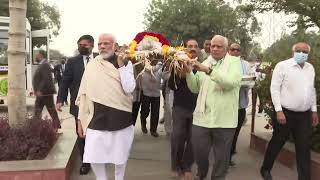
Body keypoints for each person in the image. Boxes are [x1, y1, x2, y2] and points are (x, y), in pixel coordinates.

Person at [76, 33, 135, 180]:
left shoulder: (127, 63)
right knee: (94, 154)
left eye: (106, 43)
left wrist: (121, 66)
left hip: (120, 116)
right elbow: (83, 94)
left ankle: (119, 178)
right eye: (100, 44)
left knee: (120, 155)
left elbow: (129, 88)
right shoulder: (92, 65)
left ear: (115, 45)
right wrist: (80, 120)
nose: (102, 46)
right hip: (97, 117)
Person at [260, 42, 319, 180]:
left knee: (303, 147)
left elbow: (312, 90)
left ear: (308, 54)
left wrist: (314, 111)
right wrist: (279, 111)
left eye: (305, 51)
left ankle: (304, 177)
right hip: (285, 113)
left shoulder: (310, 68)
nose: (301, 53)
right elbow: (274, 89)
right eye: (298, 50)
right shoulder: (283, 66)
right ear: (293, 52)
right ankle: (266, 169)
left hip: (304, 115)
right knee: (277, 142)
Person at [186, 35, 241, 180]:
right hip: (202, 119)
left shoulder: (234, 62)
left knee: (221, 160)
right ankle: (202, 173)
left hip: (224, 121)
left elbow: (230, 83)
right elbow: (195, 88)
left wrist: (208, 70)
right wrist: (188, 72)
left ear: (226, 49)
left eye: (219, 46)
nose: (214, 49)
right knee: (199, 153)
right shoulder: (205, 62)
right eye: (212, 46)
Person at [56, 35, 98, 175]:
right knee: (81, 133)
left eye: (84, 45)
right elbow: (65, 81)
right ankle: (85, 162)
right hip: (79, 103)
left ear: (91, 45)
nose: (81, 47)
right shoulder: (72, 62)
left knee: (96, 132)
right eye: (79, 44)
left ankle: (97, 156)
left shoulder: (100, 59)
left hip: (98, 103)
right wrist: (60, 99)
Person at [168, 39, 199, 180]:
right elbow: (171, 86)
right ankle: (175, 165)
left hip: (197, 109)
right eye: (190, 46)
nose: (192, 48)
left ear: (198, 49)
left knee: (193, 139)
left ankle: (187, 167)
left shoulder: (202, 65)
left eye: (195, 46)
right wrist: (177, 72)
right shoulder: (178, 64)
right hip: (180, 107)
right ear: (185, 49)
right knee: (177, 137)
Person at [228, 43, 251, 166]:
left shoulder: (246, 65)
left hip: (240, 104)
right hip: (226, 105)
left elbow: (251, 79)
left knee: (235, 132)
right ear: (228, 51)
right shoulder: (223, 63)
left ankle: (229, 156)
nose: (235, 51)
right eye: (233, 49)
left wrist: (249, 83)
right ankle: (222, 155)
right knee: (225, 132)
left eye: (238, 49)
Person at [33, 50, 61, 129]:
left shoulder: (45, 65)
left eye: (37, 54)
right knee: (39, 110)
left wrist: (39, 90)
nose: (36, 56)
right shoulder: (43, 64)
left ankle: (35, 125)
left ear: (41, 55)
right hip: (43, 93)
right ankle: (35, 126)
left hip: (45, 92)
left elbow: (45, 79)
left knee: (48, 109)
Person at [140, 60, 163, 137]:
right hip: (146, 92)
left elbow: (165, 77)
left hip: (156, 93)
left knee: (155, 113)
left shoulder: (161, 66)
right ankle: (143, 122)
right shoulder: (144, 64)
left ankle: (153, 130)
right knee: (145, 111)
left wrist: (167, 70)